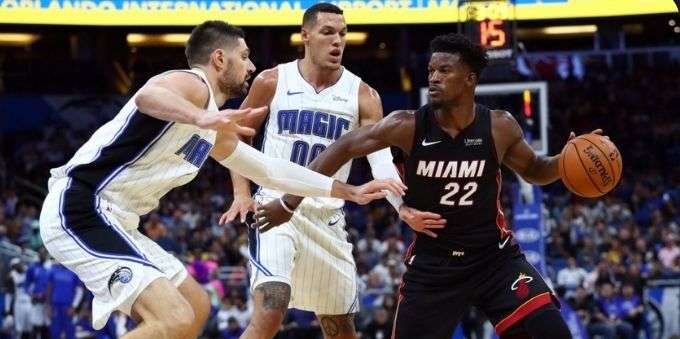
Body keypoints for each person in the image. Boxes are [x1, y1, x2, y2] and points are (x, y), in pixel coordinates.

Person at [38, 20, 404, 339]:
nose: (252, 65)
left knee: (195, 307)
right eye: (244, 56)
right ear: (219, 59)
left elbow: (271, 170)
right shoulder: (193, 84)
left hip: (117, 220)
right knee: (174, 316)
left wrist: (348, 190)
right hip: (81, 207)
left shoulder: (215, 122)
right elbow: (148, 95)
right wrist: (201, 119)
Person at [254, 33, 609, 338]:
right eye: (431, 71)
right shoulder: (407, 125)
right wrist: (288, 203)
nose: (434, 78)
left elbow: (535, 169)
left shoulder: (499, 127)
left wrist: (565, 162)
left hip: (494, 259)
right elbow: (341, 147)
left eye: (444, 71)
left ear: (470, 79)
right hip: (434, 266)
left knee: (551, 331)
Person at [219, 4, 416, 339]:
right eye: (327, 32)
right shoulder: (273, 80)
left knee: (340, 327)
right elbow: (236, 135)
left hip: (327, 217)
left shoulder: (363, 95)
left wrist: (404, 209)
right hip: (276, 209)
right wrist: (241, 193)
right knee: (272, 306)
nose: (337, 40)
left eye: (342, 33)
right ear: (305, 36)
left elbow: (380, 161)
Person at [46, 263, 83, 339]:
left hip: (68, 308)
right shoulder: (53, 270)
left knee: (70, 334)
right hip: (55, 307)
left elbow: (79, 291)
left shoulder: (74, 271)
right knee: (55, 334)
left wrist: (74, 306)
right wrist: (48, 306)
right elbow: (49, 288)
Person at [25, 248, 51, 339]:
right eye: (41, 253)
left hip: (48, 302)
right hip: (37, 301)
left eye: (45, 253)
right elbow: (27, 284)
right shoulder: (33, 267)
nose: (43, 255)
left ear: (47, 255)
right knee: (36, 325)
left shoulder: (50, 267)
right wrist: (32, 294)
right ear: (38, 254)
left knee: (47, 326)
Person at [4, 258, 32, 339]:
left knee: (29, 328)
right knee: (18, 329)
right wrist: (7, 310)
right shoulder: (11, 276)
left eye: (19, 264)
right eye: (15, 266)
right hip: (19, 303)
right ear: (13, 267)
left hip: (29, 302)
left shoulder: (28, 271)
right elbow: (8, 295)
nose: (19, 266)